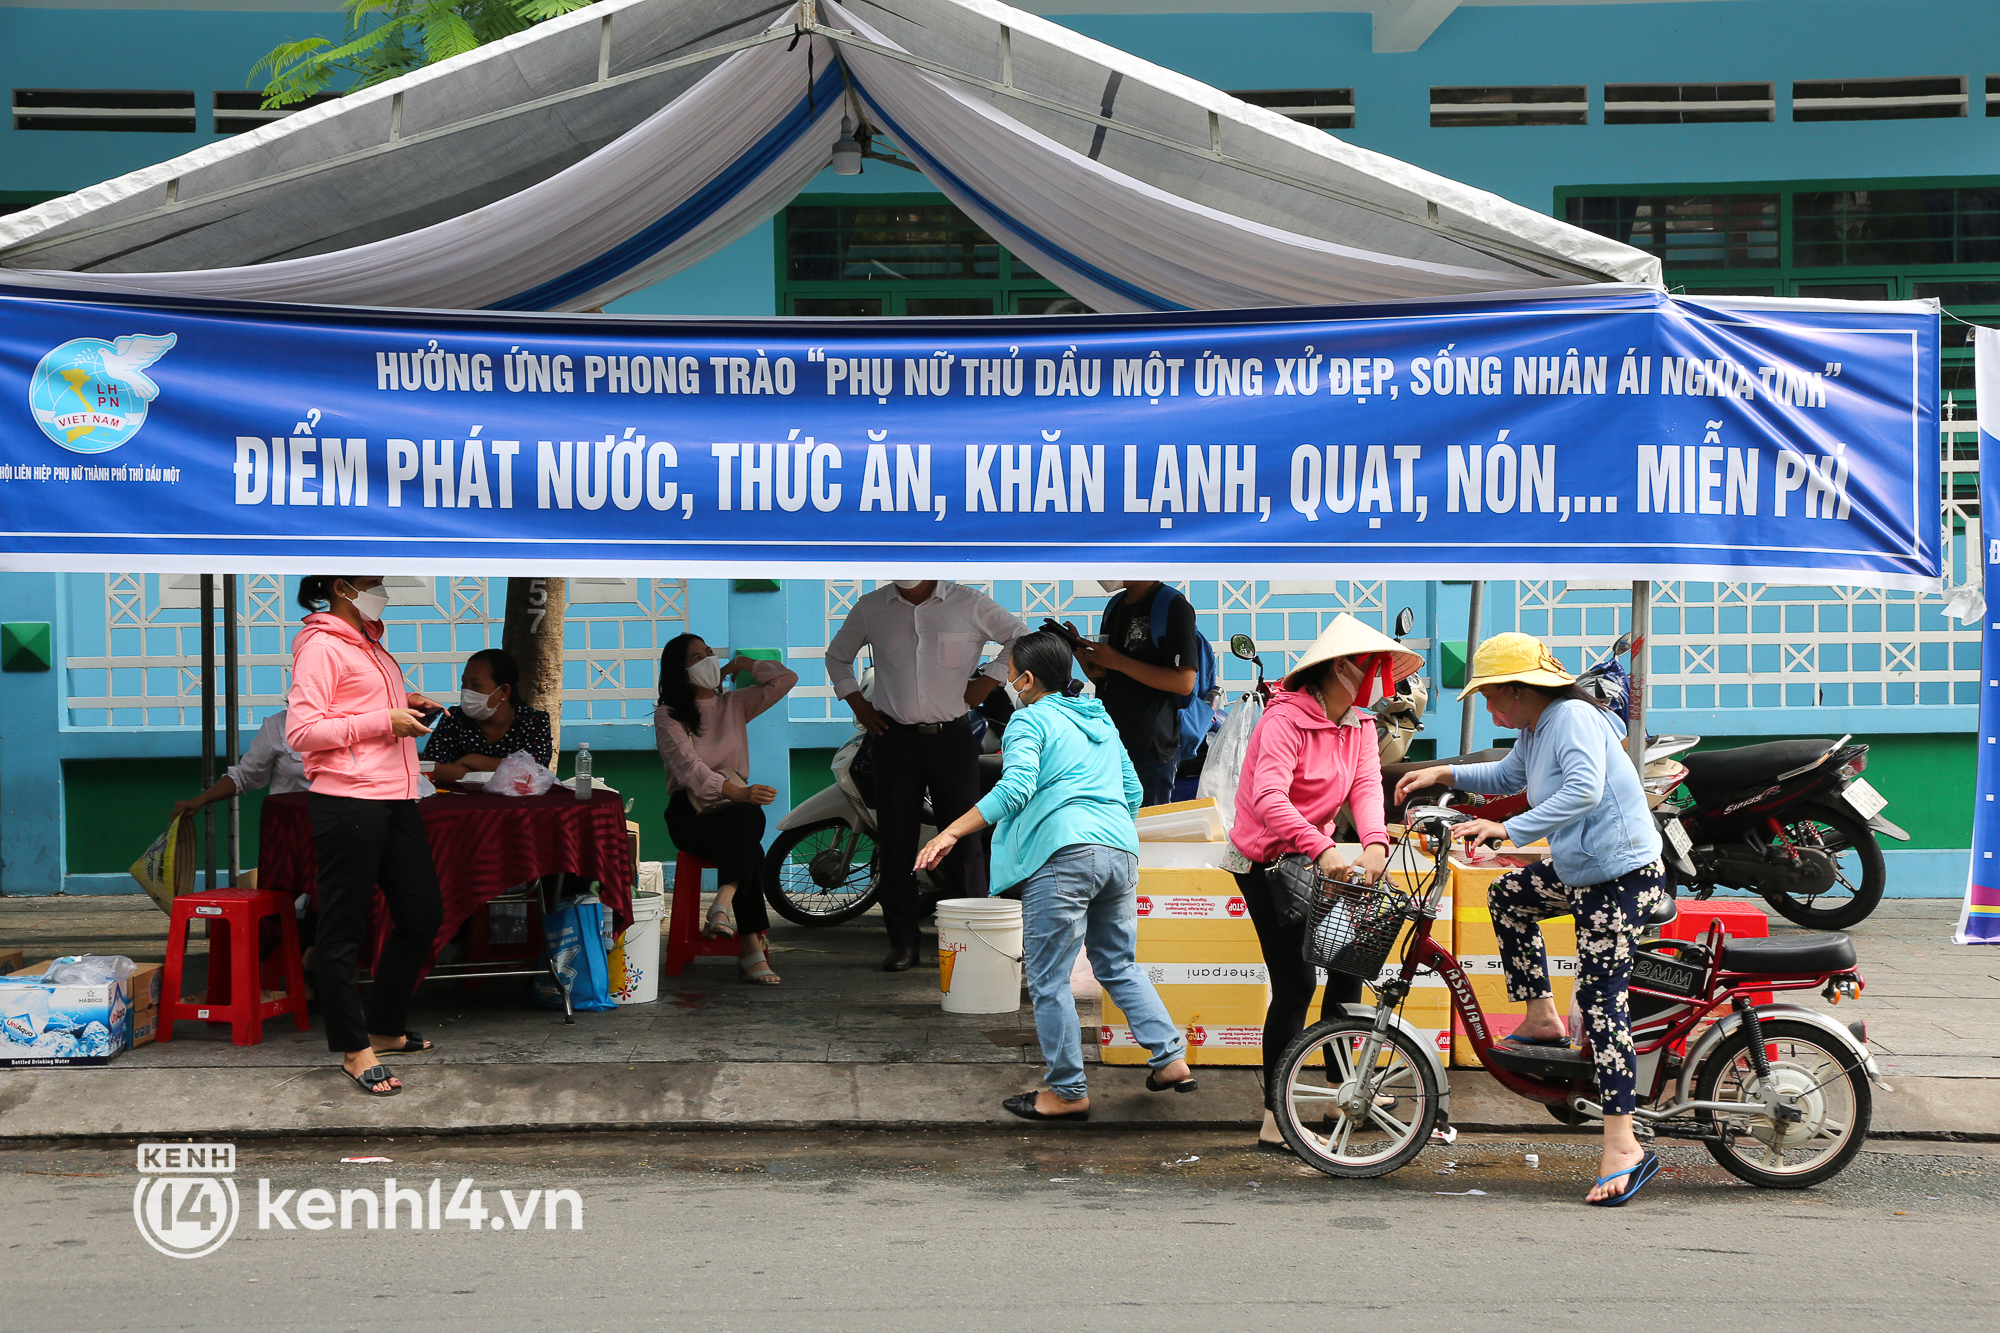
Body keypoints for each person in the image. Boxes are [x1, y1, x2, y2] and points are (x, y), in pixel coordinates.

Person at [1394, 632, 1668, 1206]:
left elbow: (1585, 790)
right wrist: (1441, 776)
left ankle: (1623, 1144)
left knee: (1600, 1002)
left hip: (1622, 878)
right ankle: (1542, 1018)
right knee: (1510, 898)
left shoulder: (1572, 718)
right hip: (1582, 872)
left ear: (1521, 690)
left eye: (1492, 696)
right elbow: (1505, 778)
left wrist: (1508, 830)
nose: (1489, 708)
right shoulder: (1536, 728)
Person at [915, 630, 1194, 1122]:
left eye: (1009, 672)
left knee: (1048, 979)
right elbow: (1131, 789)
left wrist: (951, 833)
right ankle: (1170, 1059)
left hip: (1065, 853)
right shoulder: (1099, 717)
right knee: (1118, 964)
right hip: (1119, 851)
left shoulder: (1029, 720)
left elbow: (1015, 789)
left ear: (1026, 679)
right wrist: (1104, 831)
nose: (1006, 679)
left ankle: (1067, 1091)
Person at [1229, 613, 1422, 1154]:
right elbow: (1269, 800)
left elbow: (1365, 788)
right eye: (1373, 669)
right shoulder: (1283, 720)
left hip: (1322, 857)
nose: (1382, 682)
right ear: (1342, 667)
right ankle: (1275, 1115)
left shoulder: (1359, 724)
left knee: (1347, 968)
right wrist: (1323, 847)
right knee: (1295, 985)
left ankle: (1345, 1086)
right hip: (1268, 862)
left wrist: (1377, 842)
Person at [285, 575, 446, 1098]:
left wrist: (408, 704)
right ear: (341, 586)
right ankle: (355, 1051)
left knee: (423, 914)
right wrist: (383, 720)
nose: (383, 589)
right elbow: (303, 731)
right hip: (347, 799)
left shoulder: (371, 641)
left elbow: (360, 709)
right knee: (343, 927)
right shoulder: (322, 644)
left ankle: (384, 1027)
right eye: (373, 582)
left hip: (397, 796)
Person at [825, 579, 1028, 972]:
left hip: (952, 739)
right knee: (896, 845)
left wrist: (989, 680)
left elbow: (1021, 636)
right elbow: (837, 657)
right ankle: (903, 944)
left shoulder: (968, 602)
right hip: (892, 740)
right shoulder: (872, 606)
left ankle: (968, 942)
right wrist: (858, 704)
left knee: (964, 845)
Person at [654, 633, 798, 986]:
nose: (707, 660)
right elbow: (690, 769)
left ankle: (723, 901)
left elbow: (785, 679)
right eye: (696, 658)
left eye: (709, 654)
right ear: (679, 671)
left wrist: (740, 664)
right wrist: (738, 792)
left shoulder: (734, 703)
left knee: (746, 820)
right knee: (750, 835)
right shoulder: (668, 715)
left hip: (735, 812)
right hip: (691, 814)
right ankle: (749, 948)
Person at [1072, 579, 1201, 807]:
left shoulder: (1172, 605)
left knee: (1146, 833)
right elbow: (1107, 679)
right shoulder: (1114, 606)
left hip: (1150, 747)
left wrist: (1119, 662)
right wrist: (1084, 656)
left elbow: (1184, 682)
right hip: (1112, 740)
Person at [422, 648, 553, 782]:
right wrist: (495, 773)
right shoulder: (454, 718)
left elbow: (533, 770)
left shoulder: (534, 721)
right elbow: (431, 769)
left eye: (476, 685)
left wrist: (470, 760)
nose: (467, 691)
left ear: (503, 691)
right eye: (464, 683)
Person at [170, 706, 309, 821]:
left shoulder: (331, 727)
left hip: (330, 826)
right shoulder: (277, 726)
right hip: (291, 827)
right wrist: (200, 800)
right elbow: (245, 775)